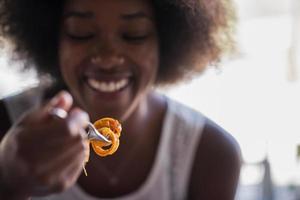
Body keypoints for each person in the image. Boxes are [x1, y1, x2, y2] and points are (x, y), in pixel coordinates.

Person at [0, 0, 241, 199]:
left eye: (133, 35)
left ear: (165, 40)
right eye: (81, 33)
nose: (107, 58)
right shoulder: (5, 124)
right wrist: (9, 181)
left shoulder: (211, 155)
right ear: (53, 37)